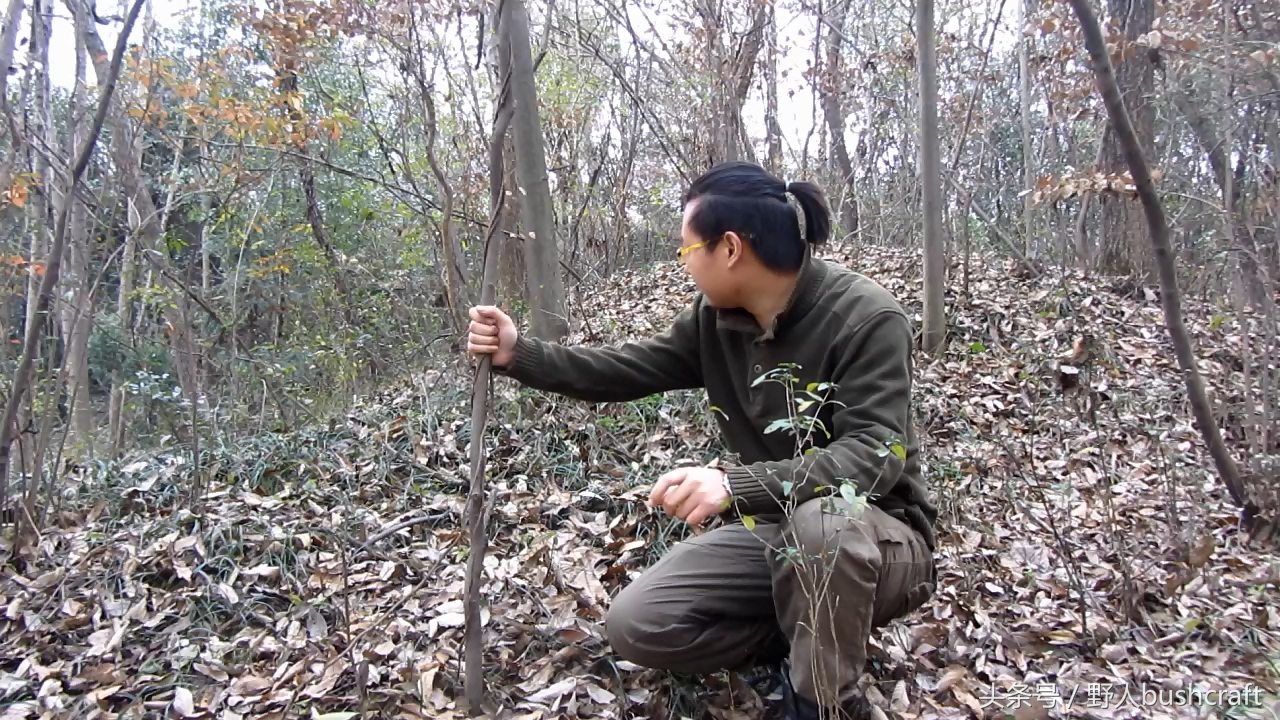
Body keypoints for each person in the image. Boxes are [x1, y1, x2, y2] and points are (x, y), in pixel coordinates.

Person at [466, 161, 937, 720]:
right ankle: (805, 640)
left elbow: (874, 456)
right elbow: (628, 368)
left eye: (688, 251)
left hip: (881, 541)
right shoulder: (716, 319)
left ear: (731, 248)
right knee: (640, 623)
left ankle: (822, 701)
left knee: (824, 525)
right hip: (781, 531)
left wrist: (734, 485)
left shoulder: (866, 317)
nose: (684, 265)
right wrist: (521, 355)